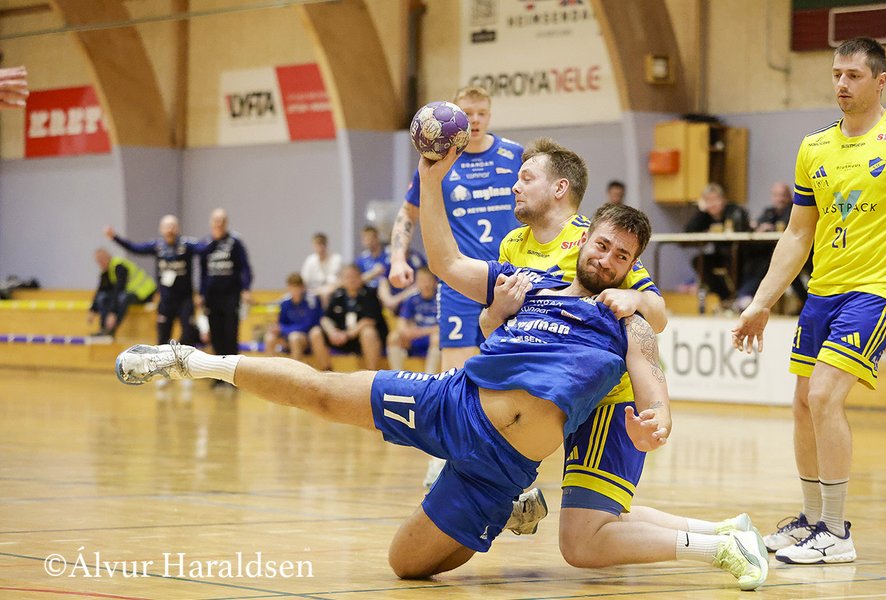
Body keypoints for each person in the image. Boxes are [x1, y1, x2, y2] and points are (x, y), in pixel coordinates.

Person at [115, 148, 768, 590]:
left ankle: (498, 509)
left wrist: (660, 416)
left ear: (631, 266)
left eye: (620, 256)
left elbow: (649, 365)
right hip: (453, 402)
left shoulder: (624, 312)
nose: (606, 259)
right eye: (601, 245)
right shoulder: (525, 279)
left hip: (501, 463)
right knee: (323, 394)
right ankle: (191, 359)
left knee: (409, 564)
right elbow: (448, 263)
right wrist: (432, 183)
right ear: (584, 240)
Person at [731, 37, 886, 565]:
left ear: (880, 80)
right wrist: (762, 301)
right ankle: (811, 520)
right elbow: (798, 234)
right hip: (823, 291)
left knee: (824, 395)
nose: (841, 84)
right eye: (836, 74)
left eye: (853, 75)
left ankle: (836, 532)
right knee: (803, 403)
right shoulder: (814, 147)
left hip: (879, 290)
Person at [485, 139, 757, 570]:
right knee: (601, 516)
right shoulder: (512, 245)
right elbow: (498, 326)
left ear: (558, 188)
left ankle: (721, 550)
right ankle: (724, 531)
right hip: (558, 393)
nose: (517, 186)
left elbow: (658, 314)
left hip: (606, 400)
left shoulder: (598, 245)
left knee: (581, 542)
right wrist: (496, 312)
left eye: (527, 177)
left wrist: (635, 298)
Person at [388, 85, 522, 484]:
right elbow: (407, 213)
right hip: (459, 283)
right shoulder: (437, 161)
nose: (474, 120)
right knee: (455, 376)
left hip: (509, 282)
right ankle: (443, 458)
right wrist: (397, 258)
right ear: (456, 117)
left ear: (489, 116)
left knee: (510, 376)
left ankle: (506, 461)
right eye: (468, 113)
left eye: (481, 113)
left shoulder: (514, 155)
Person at [105, 216, 201, 349]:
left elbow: (204, 249)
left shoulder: (186, 245)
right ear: (161, 229)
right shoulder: (157, 246)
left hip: (185, 299)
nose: (170, 230)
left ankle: (180, 356)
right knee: (162, 338)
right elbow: (134, 248)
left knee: (189, 333)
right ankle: (166, 359)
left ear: (178, 228)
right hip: (166, 300)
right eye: (166, 226)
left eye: (172, 226)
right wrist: (115, 237)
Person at [735, 182, 810, 311]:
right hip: (773, 253)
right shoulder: (769, 212)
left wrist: (771, 228)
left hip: (798, 253)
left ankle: (747, 296)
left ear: (790, 196)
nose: (780, 199)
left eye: (783, 195)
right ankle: (745, 296)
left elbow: (794, 230)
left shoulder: (795, 209)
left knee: (781, 265)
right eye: (776, 195)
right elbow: (758, 225)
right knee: (752, 258)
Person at [198, 208, 253, 383]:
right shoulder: (206, 243)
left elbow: (245, 267)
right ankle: (219, 376)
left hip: (231, 296)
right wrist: (201, 294)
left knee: (230, 334)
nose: (218, 224)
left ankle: (233, 377)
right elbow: (203, 272)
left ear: (226, 223)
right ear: (211, 223)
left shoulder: (235, 242)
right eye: (216, 221)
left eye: (222, 221)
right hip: (212, 298)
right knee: (216, 335)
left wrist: (246, 288)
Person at [684, 183, 751, 303]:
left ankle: (739, 296)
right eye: (708, 200)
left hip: (740, 253)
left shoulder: (734, 210)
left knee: (736, 263)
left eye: (715, 199)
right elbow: (688, 231)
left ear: (723, 200)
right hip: (721, 254)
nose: (712, 204)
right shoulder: (705, 216)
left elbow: (741, 229)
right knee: (699, 261)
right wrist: (701, 211)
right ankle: (725, 297)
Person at [321, 264, 387, 370]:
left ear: (360, 277)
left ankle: (371, 373)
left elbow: (369, 320)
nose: (351, 280)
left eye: (354, 276)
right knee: (316, 333)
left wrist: (347, 335)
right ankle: (326, 371)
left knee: (368, 332)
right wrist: (332, 332)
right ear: (342, 279)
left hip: (360, 338)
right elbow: (325, 318)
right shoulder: (338, 294)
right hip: (341, 337)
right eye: (347, 277)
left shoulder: (369, 293)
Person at [264, 272, 330, 371]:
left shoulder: (311, 301)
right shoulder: (285, 302)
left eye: (297, 288)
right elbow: (282, 322)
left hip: (306, 337)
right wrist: (276, 328)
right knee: (269, 337)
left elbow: (309, 324)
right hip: (288, 335)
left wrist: (283, 329)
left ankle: (294, 372)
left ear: (302, 287)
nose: (295, 291)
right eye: (292, 288)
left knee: (294, 337)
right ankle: (271, 371)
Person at [89, 248, 156, 337]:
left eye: (101, 260)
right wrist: (93, 309)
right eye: (98, 261)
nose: (100, 264)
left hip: (145, 293)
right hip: (131, 293)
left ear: (108, 257)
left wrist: (112, 313)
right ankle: (104, 328)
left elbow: (119, 289)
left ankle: (110, 329)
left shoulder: (119, 266)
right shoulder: (106, 270)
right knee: (103, 297)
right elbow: (101, 290)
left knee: (122, 298)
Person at [386, 266, 440, 373]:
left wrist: (422, 331)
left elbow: (444, 326)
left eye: (428, 280)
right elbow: (401, 324)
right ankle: (398, 376)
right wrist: (407, 331)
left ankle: (430, 376)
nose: (425, 284)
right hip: (414, 337)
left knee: (437, 338)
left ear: (435, 282)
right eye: (422, 280)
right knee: (394, 337)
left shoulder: (441, 298)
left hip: (432, 337)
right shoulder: (411, 299)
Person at [300, 232, 343, 305]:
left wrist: (324, 290)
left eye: (323, 244)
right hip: (313, 291)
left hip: (332, 291)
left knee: (326, 293)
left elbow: (338, 281)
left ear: (326, 245)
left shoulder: (336, 259)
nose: (321, 247)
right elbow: (304, 280)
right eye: (318, 244)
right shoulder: (310, 260)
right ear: (313, 246)